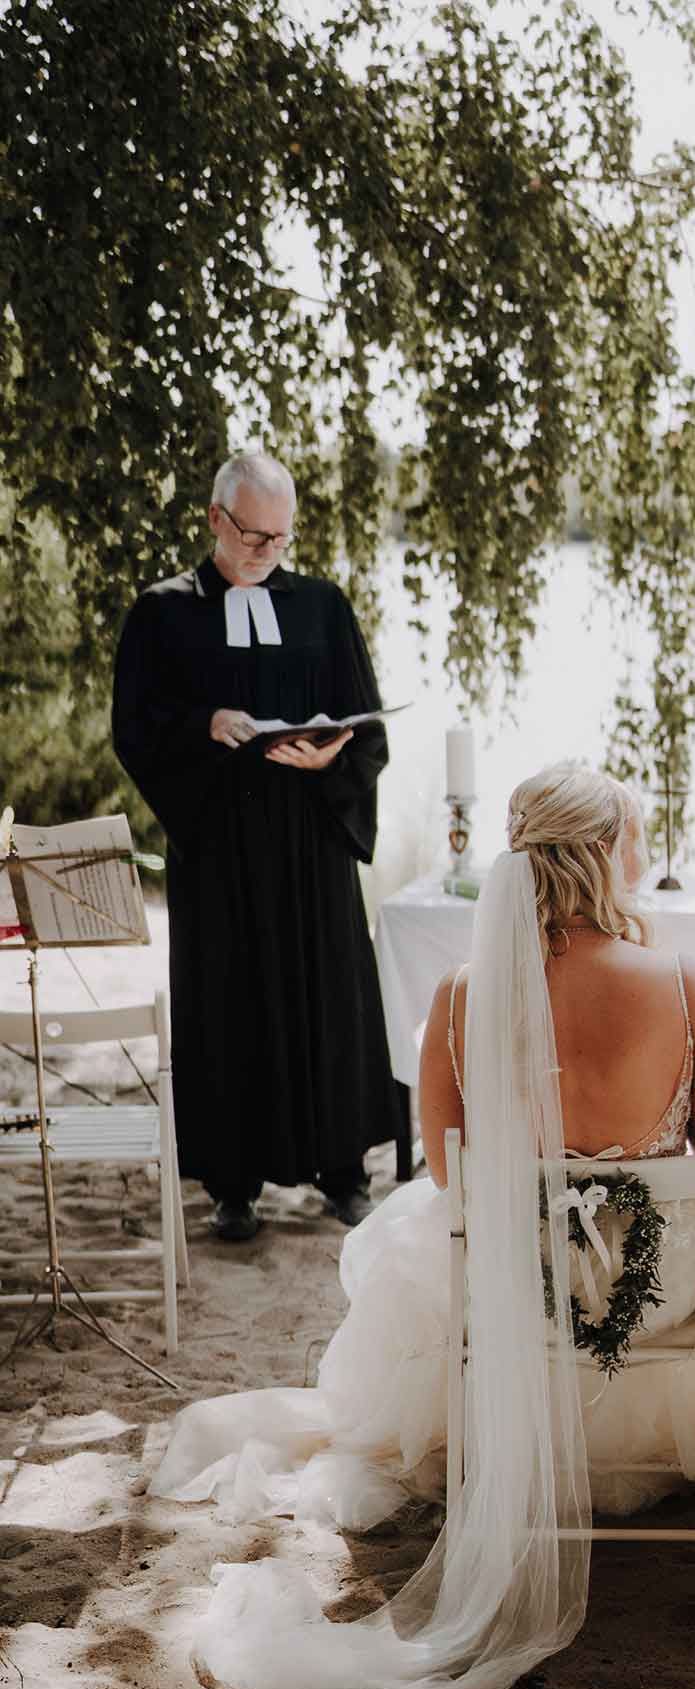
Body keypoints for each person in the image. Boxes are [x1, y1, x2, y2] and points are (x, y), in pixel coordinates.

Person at [148, 766, 695, 1689]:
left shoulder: (458, 998)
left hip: (515, 1296)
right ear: (602, 854)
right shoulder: (688, 983)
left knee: (417, 1228)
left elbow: (455, 1181)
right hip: (659, 1296)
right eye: (632, 836)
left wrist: (546, 1205)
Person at [112, 452, 399, 1238]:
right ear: (214, 519)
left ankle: (342, 1173)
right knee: (227, 1006)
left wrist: (332, 753)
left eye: (280, 537)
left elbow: (364, 718)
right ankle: (231, 1188)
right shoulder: (162, 613)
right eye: (251, 535)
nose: (267, 551)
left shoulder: (322, 608)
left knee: (326, 1001)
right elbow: (134, 729)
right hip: (220, 849)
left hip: (312, 845)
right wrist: (203, 725)